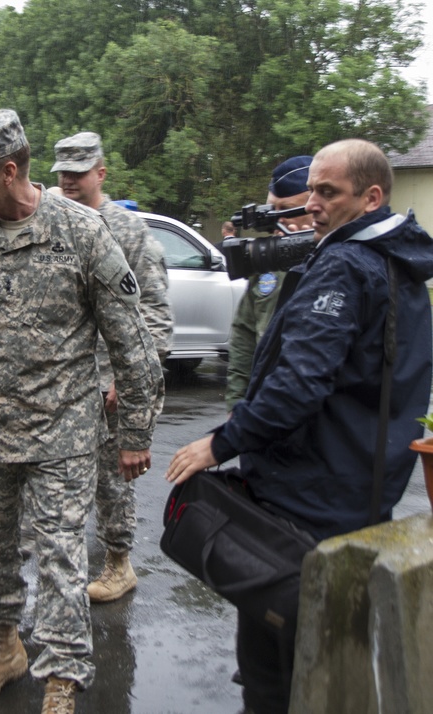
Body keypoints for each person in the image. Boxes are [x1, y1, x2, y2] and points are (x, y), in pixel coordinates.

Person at [0, 110, 163, 714]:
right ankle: (4, 648)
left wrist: (134, 434)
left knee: (60, 557)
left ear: (10, 170)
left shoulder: (82, 232)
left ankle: (63, 678)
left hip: (63, 430)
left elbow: (132, 341)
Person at [166, 138, 433, 714]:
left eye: (327, 192)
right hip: (362, 496)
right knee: (329, 658)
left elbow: (298, 385)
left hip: (306, 501)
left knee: (273, 670)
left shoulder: (343, 266)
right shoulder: (400, 261)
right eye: (310, 188)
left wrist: (222, 442)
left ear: (371, 198)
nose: (311, 203)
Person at [52, 131, 172, 602]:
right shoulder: (52, 223)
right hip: (61, 378)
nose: (69, 181)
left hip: (109, 379)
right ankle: (20, 579)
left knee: (111, 478)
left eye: (78, 173)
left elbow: (156, 313)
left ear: (100, 173)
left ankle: (119, 563)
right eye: (62, 173)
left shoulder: (129, 231)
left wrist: (132, 377)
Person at [224, 155, 315, 409]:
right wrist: (236, 405)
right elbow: (244, 332)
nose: (278, 219)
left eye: (286, 209)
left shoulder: (340, 261)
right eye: (271, 209)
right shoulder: (267, 260)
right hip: (263, 407)